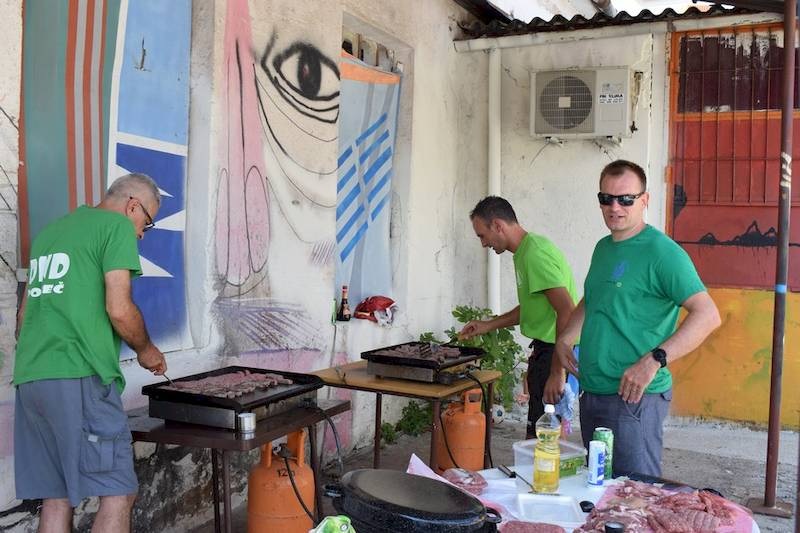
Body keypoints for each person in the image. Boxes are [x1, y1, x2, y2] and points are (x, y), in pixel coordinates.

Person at [13, 173, 168, 533]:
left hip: (32, 380)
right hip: (80, 376)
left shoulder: (50, 234)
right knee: (118, 492)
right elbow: (119, 309)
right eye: (146, 223)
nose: (142, 235)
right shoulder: (115, 227)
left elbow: (23, 319)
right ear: (132, 206)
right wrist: (146, 350)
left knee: (56, 498)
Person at [554, 160, 721, 478]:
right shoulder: (603, 248)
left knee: (636, 495)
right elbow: (594, 298)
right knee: (599, 488)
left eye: (626, 199)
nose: (615, 207)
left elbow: (708, 315)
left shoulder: (662, 253)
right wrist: (565, 339)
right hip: (594, 392)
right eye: (606, 198)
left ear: (645, 200)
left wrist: (655, 360)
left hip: (634, 399)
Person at [458, 196, 578, 438]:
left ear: (498, 225)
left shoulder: (535, 253)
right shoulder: (524, 252)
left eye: (482, 236)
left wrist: (557, 371)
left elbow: (567, 309)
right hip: (546, 352)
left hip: (555, 353)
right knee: (541, 436)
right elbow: (532, 307)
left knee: (545, 440)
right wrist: (488, 325)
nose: (483, 244)